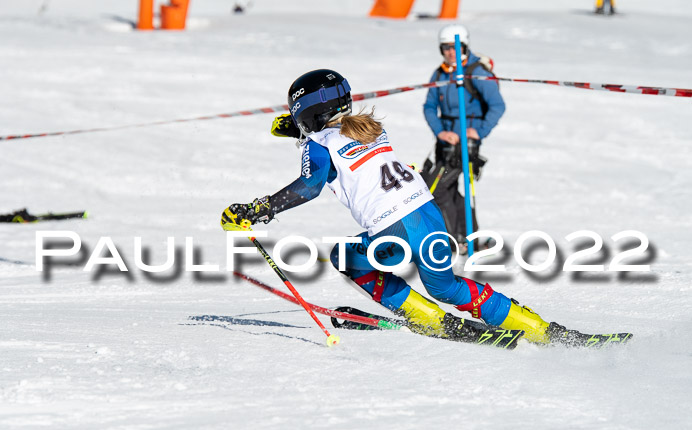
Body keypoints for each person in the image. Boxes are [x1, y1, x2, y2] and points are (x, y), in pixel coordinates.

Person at [221, 69, 592, 345]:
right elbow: (339, 141)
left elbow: (310, 184)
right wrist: (302, 131)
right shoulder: (369, 127)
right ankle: (541, 330)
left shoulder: (316, 144)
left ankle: (425, 318)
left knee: (346, 257)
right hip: (430, 216)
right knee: (445, 286)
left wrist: (259, 209)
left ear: (308, 114)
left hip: (390, 229)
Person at [422, 24, 505, 254]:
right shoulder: (440, 73)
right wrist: (440, 131)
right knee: (443, 189)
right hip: (444, 142)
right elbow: (429, 106)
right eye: (446, 47)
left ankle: (456, 238)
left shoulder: (476, 72)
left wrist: (479, 131)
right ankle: (468, 235)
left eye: (455, 47)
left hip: (465, 145)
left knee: (436, 188)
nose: (451, 52)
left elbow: (497, 105)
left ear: (464, 46)